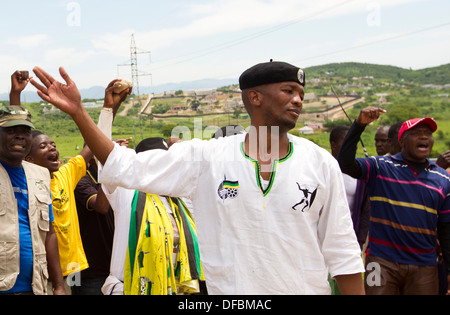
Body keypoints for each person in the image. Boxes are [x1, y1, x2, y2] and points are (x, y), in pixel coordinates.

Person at [31, 62, 365, 295]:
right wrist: (79, 112)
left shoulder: (319, 162)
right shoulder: (208, 157)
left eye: (301, 93)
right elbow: (123, 167)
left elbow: (342, 251)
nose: (298, 99)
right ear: (255, 97)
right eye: (288, 90)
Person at [96, 81, 204, 295]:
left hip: (177, 288)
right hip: (130, 288)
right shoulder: (126, 193)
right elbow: (105, 160)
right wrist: (109, 111)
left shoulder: (180, 198)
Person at [338, 106, 450, 295]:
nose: (424, 137)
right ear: (402, 141)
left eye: (428, 134)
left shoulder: (443, 179)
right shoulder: (380, 166)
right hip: (380, 262)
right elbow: (345, 163)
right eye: (417, 133)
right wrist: (359, 125)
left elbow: (447, 230)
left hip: (424, 266)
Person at [0, 71, 65, 295]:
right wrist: (14, 95)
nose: (19, 136)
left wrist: (58, 286)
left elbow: (49, 233)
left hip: (35, 287)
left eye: (25, 132)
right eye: (11, 131)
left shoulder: (40, 175)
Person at [25, 130, 92, 290]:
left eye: (53, 145)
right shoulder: (27, 185)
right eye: (43, 146)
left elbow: (91, 145)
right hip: (45, 271)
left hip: (74, 266)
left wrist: (109, 111)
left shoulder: (65, 175)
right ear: (30, 160)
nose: (52, 148)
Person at [73, 150, 115, 295]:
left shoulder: (112, 179)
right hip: (90, 270)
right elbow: (101, 207)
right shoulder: (80, 179)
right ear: (90, 158)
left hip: (111, 266)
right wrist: (108, 172)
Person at [330, 126, 370, 249]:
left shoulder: (360, 174)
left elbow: (365, 211)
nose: (351, 147)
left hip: (349, 238)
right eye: (346, 142)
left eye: (353, 143)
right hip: (321, 236)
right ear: (333, 145)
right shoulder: (320, 169)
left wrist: (360, 240)